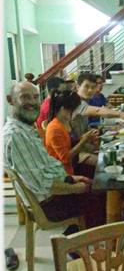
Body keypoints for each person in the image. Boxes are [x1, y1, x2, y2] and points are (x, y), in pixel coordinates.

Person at [3, 81, 105, 230]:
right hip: (49, 204)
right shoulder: (16, 136)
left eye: (35, 97)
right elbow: (44, 184)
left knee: (98, 187)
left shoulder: (26, 131)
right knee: (100, 199)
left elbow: (46, 167)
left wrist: (70, 178)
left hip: (52, 194)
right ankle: (73, 245)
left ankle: (79, 241)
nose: (32, 102)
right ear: (10, 100)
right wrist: (78, 188)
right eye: (25, 97)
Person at [45, 89, 98, 176]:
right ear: (63, 109)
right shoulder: (54, 128)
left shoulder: (65, 121)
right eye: (73, 110)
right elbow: (66, 158)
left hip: (74, 164)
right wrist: (84, 140)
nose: (75, 113)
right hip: (63, 172)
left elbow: (71, 142)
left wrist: (85, 136)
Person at [71, 71, 124, 139]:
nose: (90, 90)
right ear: (78, 87)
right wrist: (120, 114)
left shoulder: (86, 100)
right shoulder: (76, 101)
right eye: (86, 86)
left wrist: (90, 130)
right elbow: (98, 111)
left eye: (92, 87)